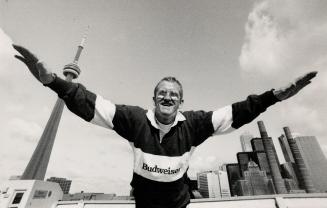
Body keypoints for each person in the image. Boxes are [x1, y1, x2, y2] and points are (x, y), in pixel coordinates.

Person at [13, 44, 317, 208]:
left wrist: (273, 97)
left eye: (173, 94)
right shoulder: (134, 120)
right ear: (154, 98)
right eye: (162, 92)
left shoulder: (196, 124)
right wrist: (53, 81)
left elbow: (239, 111)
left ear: (180, 102)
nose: (167, 97)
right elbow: (90, 103)